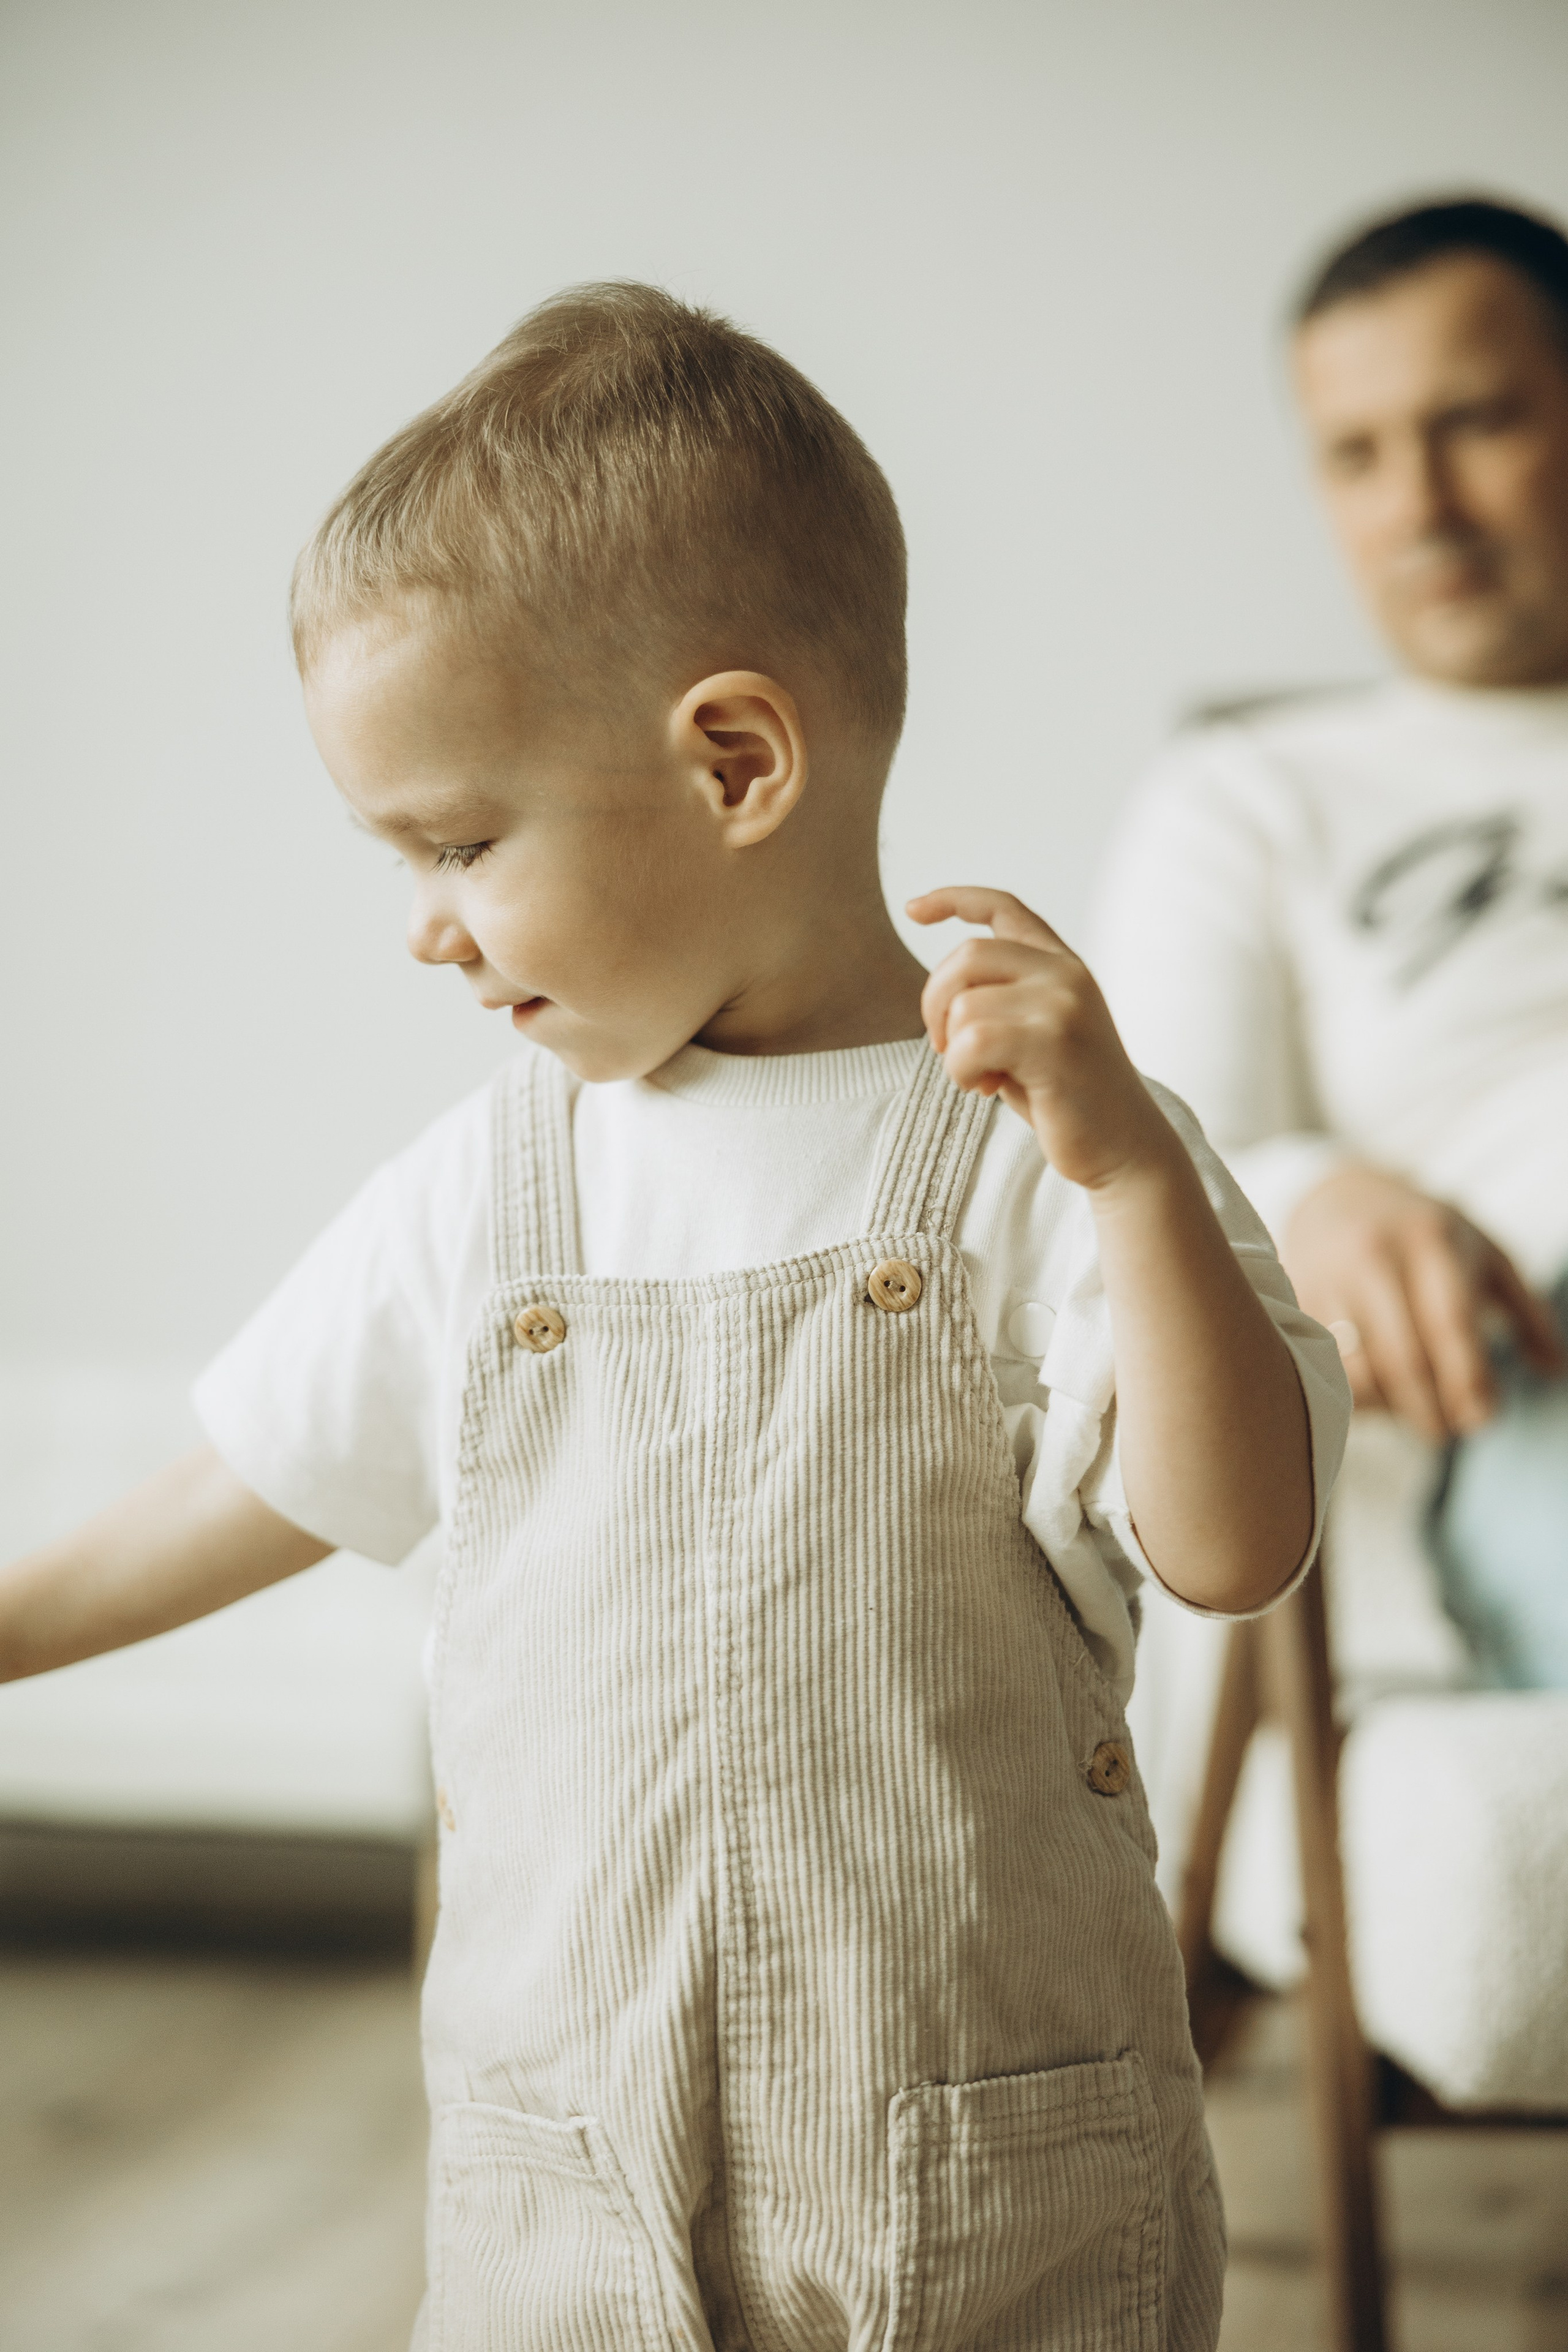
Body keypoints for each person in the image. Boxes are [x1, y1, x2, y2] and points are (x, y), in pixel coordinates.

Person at [0, 285, 1347, 2351]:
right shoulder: (494, 1187)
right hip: (570, 2192)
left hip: (983, 2198)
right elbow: (248, 1477)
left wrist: (1141, 1189)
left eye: (460, 839)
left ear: (733, 760)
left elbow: (1238, 1547)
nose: (428, 928)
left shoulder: (1041, 1153)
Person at [1096, 197, 1568, 1691]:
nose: (1416, 504)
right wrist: (1306, 1198)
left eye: (1474, 423)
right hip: (1534, 1345)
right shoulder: (1252, 789)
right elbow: (1149, 1142)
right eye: (1355, 454)